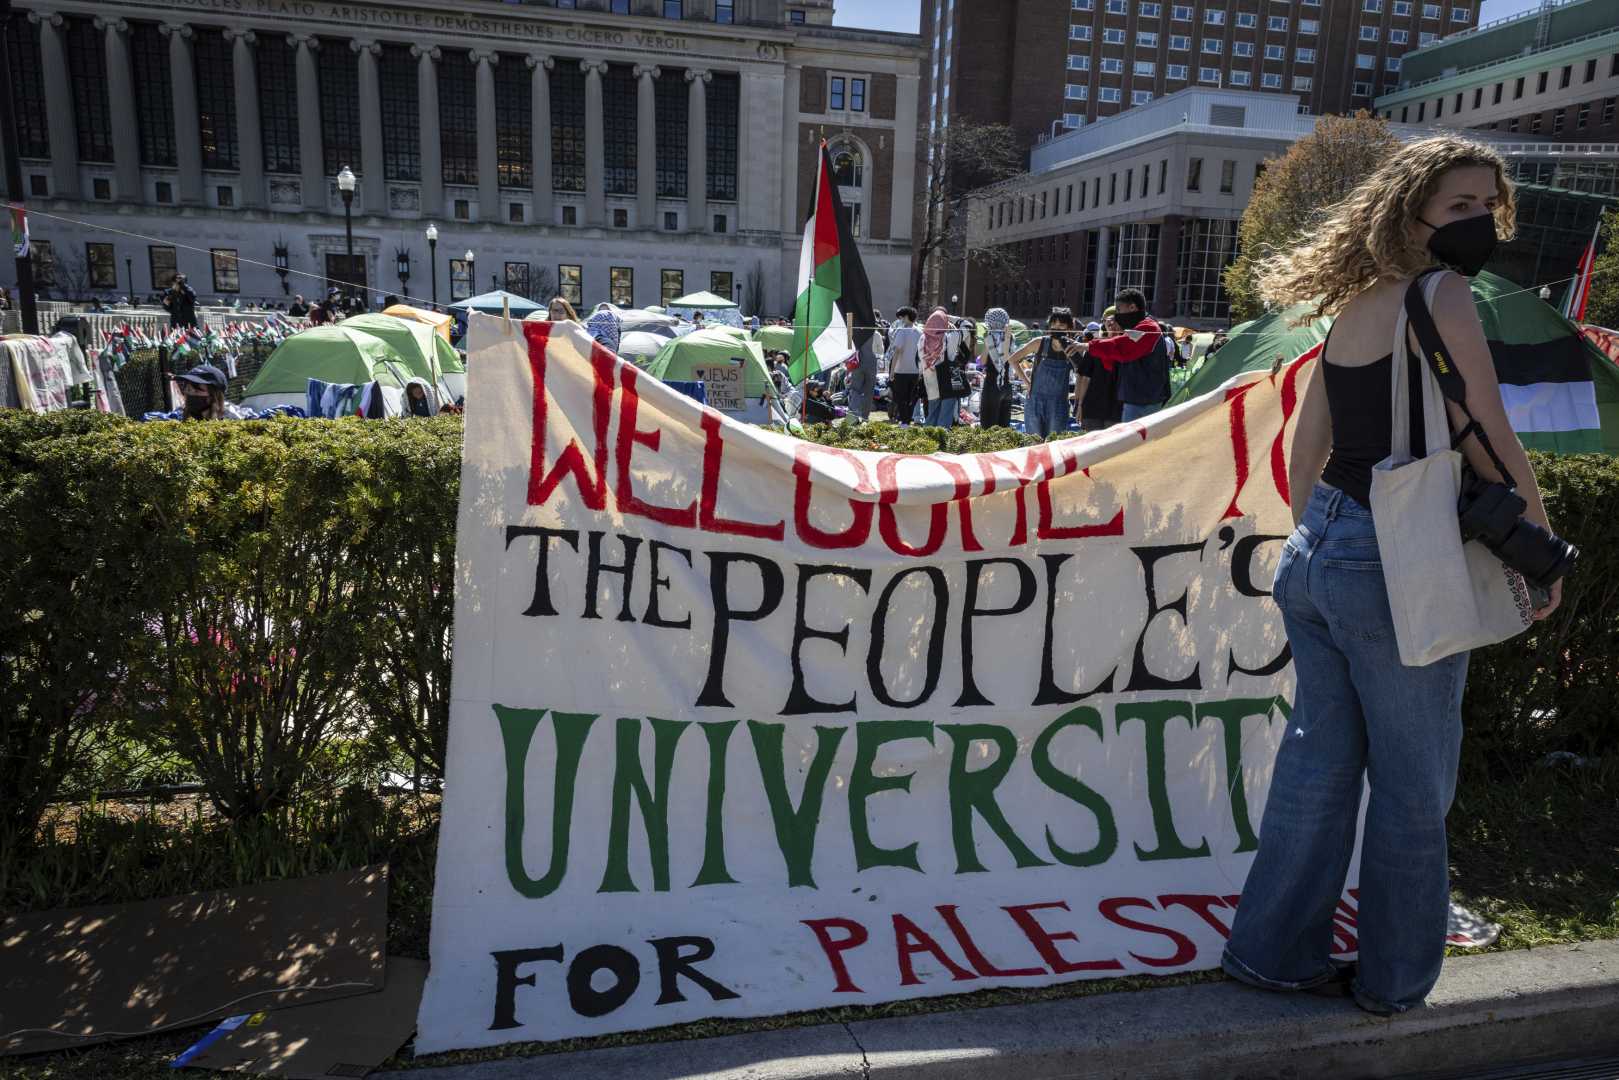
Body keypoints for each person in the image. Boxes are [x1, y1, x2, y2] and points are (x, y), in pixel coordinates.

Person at [1221, 136, 1563, 1018]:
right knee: (1415, 786)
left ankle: (1269, 955)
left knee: (1318, 768)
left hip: (1322, 550)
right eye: (1459, 207)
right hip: (1388, 558)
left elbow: (1305, 444)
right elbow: (1486, 430)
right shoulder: (1445, 295)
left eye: (1488, 204)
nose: (1479, 221)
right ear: (1408, 213)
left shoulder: (1352, 304)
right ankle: (1393, 981)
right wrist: (1540, 543)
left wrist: (1318, 535)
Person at [1074, 288, 1164, 422]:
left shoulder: (1149, 327)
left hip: (1146, 401)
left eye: (1119, 310)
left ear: (1132, 307)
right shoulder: (1133, 328)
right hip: (1133, 399)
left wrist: (1088, 345)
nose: (1117, 315)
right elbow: (1111, 362)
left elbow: (1123, 346)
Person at [1007, 307, 1083, 438]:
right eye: (1054, 324)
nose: (1057, 328)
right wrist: (1028, 383)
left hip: (1059, 404)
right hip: (1035, 401)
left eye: (1061, 325)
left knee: (1054, 444)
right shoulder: (1039, 343)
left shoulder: (1073, 347)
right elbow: (1013, 359)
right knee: (1034, 443)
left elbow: (1082, 372)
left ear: (1069, 327)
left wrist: (1077, 397)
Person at [978, 308, 1025, 429]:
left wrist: (989, 342)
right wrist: (1007, 338)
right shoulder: (1011, 337)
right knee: (1004, 426)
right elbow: (1007, 360)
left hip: (991, 385)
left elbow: (982, 362)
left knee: (988, 426)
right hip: (1006, 387)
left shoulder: (991, 337)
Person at [1072, 321, 1123, 434]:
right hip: (1093, 406)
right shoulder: (1095, 346)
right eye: (1108, 321)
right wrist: (1079, 405)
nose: (1112, 323)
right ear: (1104, 325)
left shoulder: (1126, 348)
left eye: (1115, 320)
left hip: (1116, 408)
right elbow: (1084, 378)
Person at [920, 308, 960, 428]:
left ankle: (928, 439)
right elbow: (952, 356)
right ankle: (941, 439)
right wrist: (953, 325)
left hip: (930, 379)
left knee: (932, 414)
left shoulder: (922, 338)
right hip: (947, 380)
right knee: (945, 414)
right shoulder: (949, 337)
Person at [884, 306, 922, 424]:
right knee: (911, 399)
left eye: (901, 317)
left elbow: (897, 352)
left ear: (906, 317)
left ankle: (904, 423)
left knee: (900, 399)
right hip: (915, 371)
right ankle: (907, 422)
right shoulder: (919, 331)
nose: (900, 320)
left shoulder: (902, 331)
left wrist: (891, 372)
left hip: (901, 371)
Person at [173, 364, 247, 420]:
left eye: (196, 388)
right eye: (187, 387)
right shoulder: (179, 414)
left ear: (214, 394)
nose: (190, 393)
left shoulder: (233, 415)